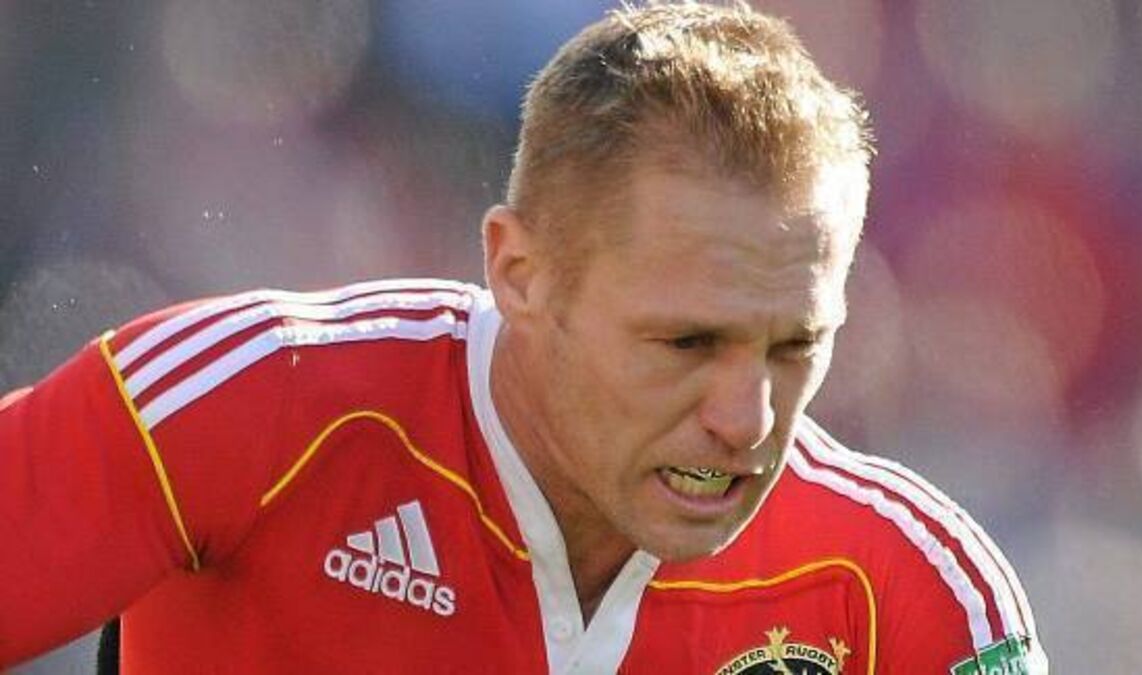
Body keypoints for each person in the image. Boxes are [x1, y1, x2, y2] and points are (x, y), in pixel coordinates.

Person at [0, 2, 1048, 673]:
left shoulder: (908, 588)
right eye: (685, 343)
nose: (747, 419)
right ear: (519, 273)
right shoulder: (249, 402)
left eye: (793, 348)